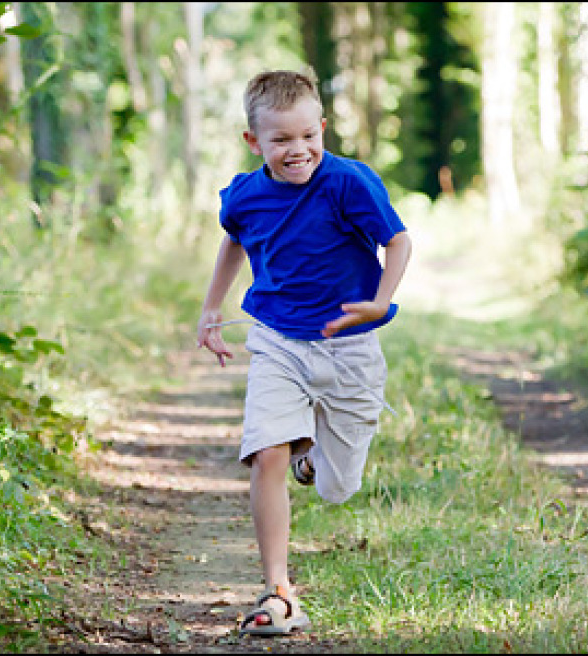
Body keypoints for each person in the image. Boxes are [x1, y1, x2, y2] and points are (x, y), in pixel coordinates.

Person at [196, 69, 411, 637]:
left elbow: (398, 240)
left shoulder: (349, 183)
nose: (298, 151)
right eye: (281, 140)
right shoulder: (245, 195)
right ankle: (279, 591)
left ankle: (310, 454)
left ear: (322, 127)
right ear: (254, 143)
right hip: (277, 340)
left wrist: (380, 302)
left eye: (307, 136)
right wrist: (211, 308)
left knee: (338, 488)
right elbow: (234, 240)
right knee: (265, 451)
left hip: (351, 348)